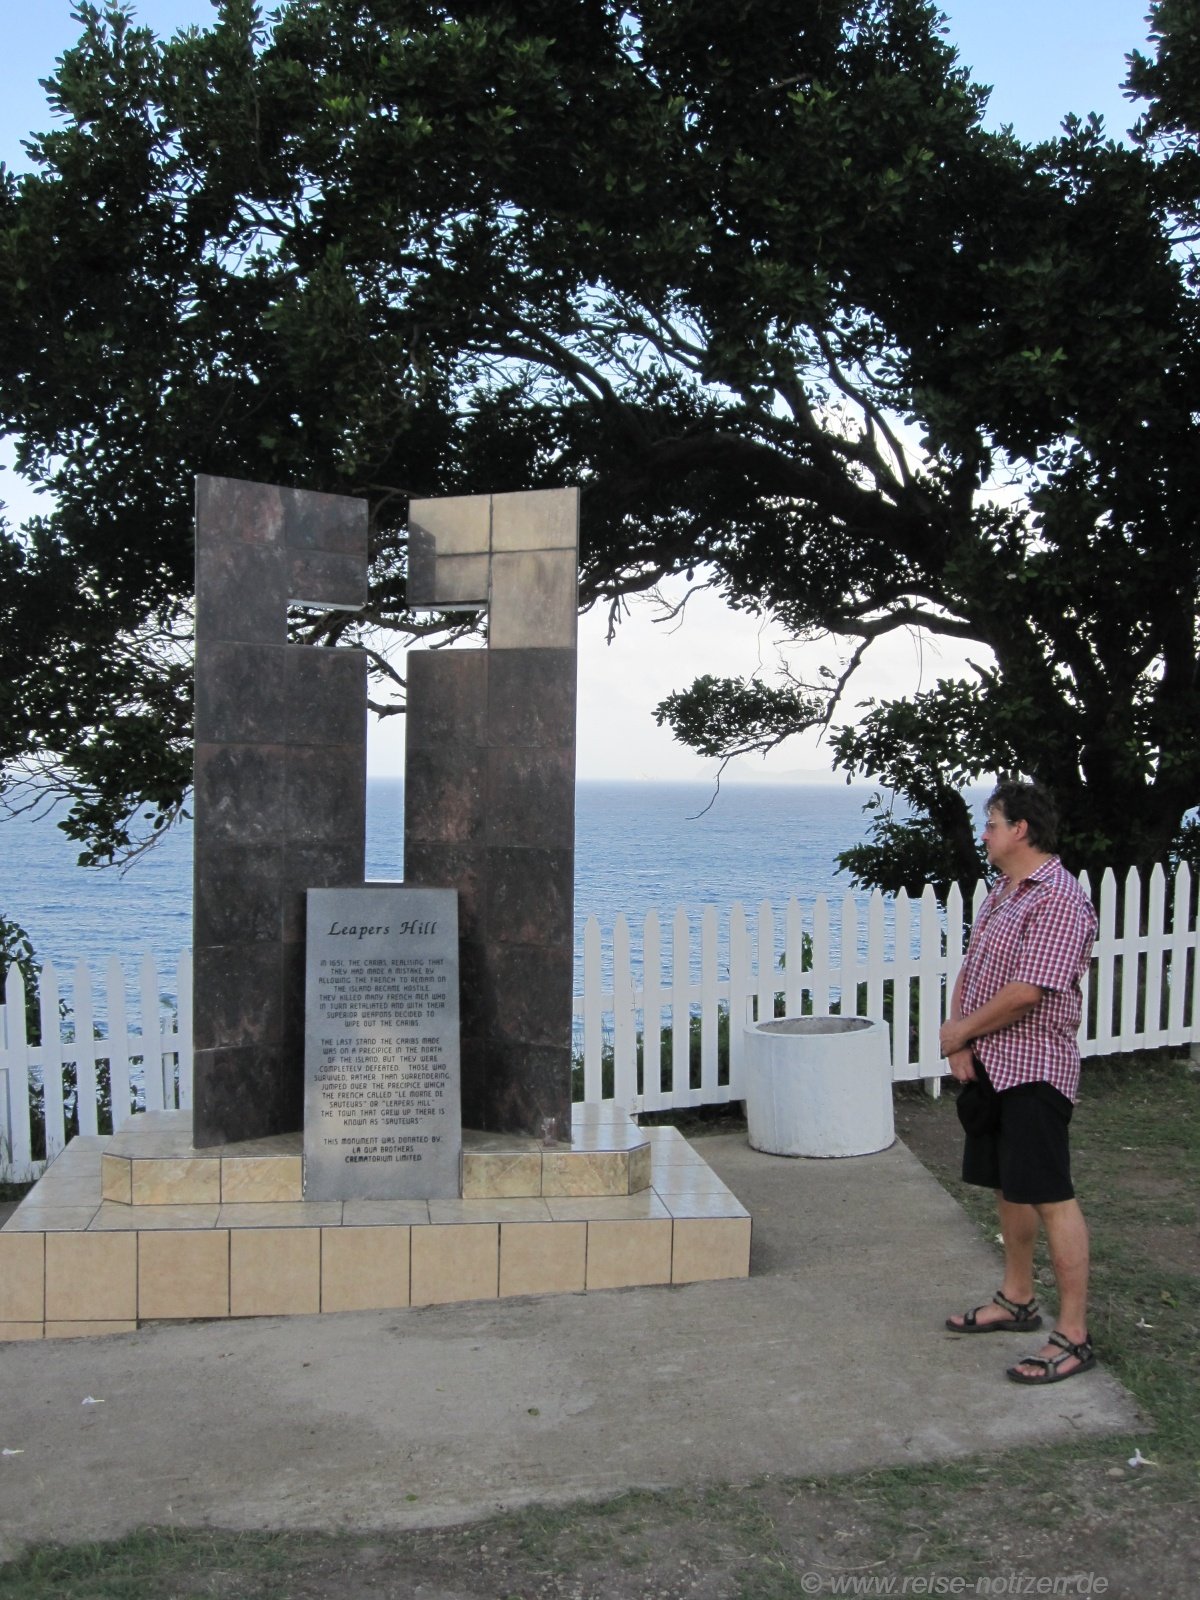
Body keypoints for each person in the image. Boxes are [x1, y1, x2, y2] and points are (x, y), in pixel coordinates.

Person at [939, 780, 1099, 1384]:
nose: (984, 834)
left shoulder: (1057, 898)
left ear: (1021, 829)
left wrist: (962, 1034)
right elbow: (975, 964)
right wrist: (961, 1035)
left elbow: (1028, 993)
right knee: (1010, 1186)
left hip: (1033, 1070)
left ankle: (1074, 1334)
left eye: (992, 823)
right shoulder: (1004, 892)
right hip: (992, 1067)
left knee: (1051, 1196)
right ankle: (1017, 1299)